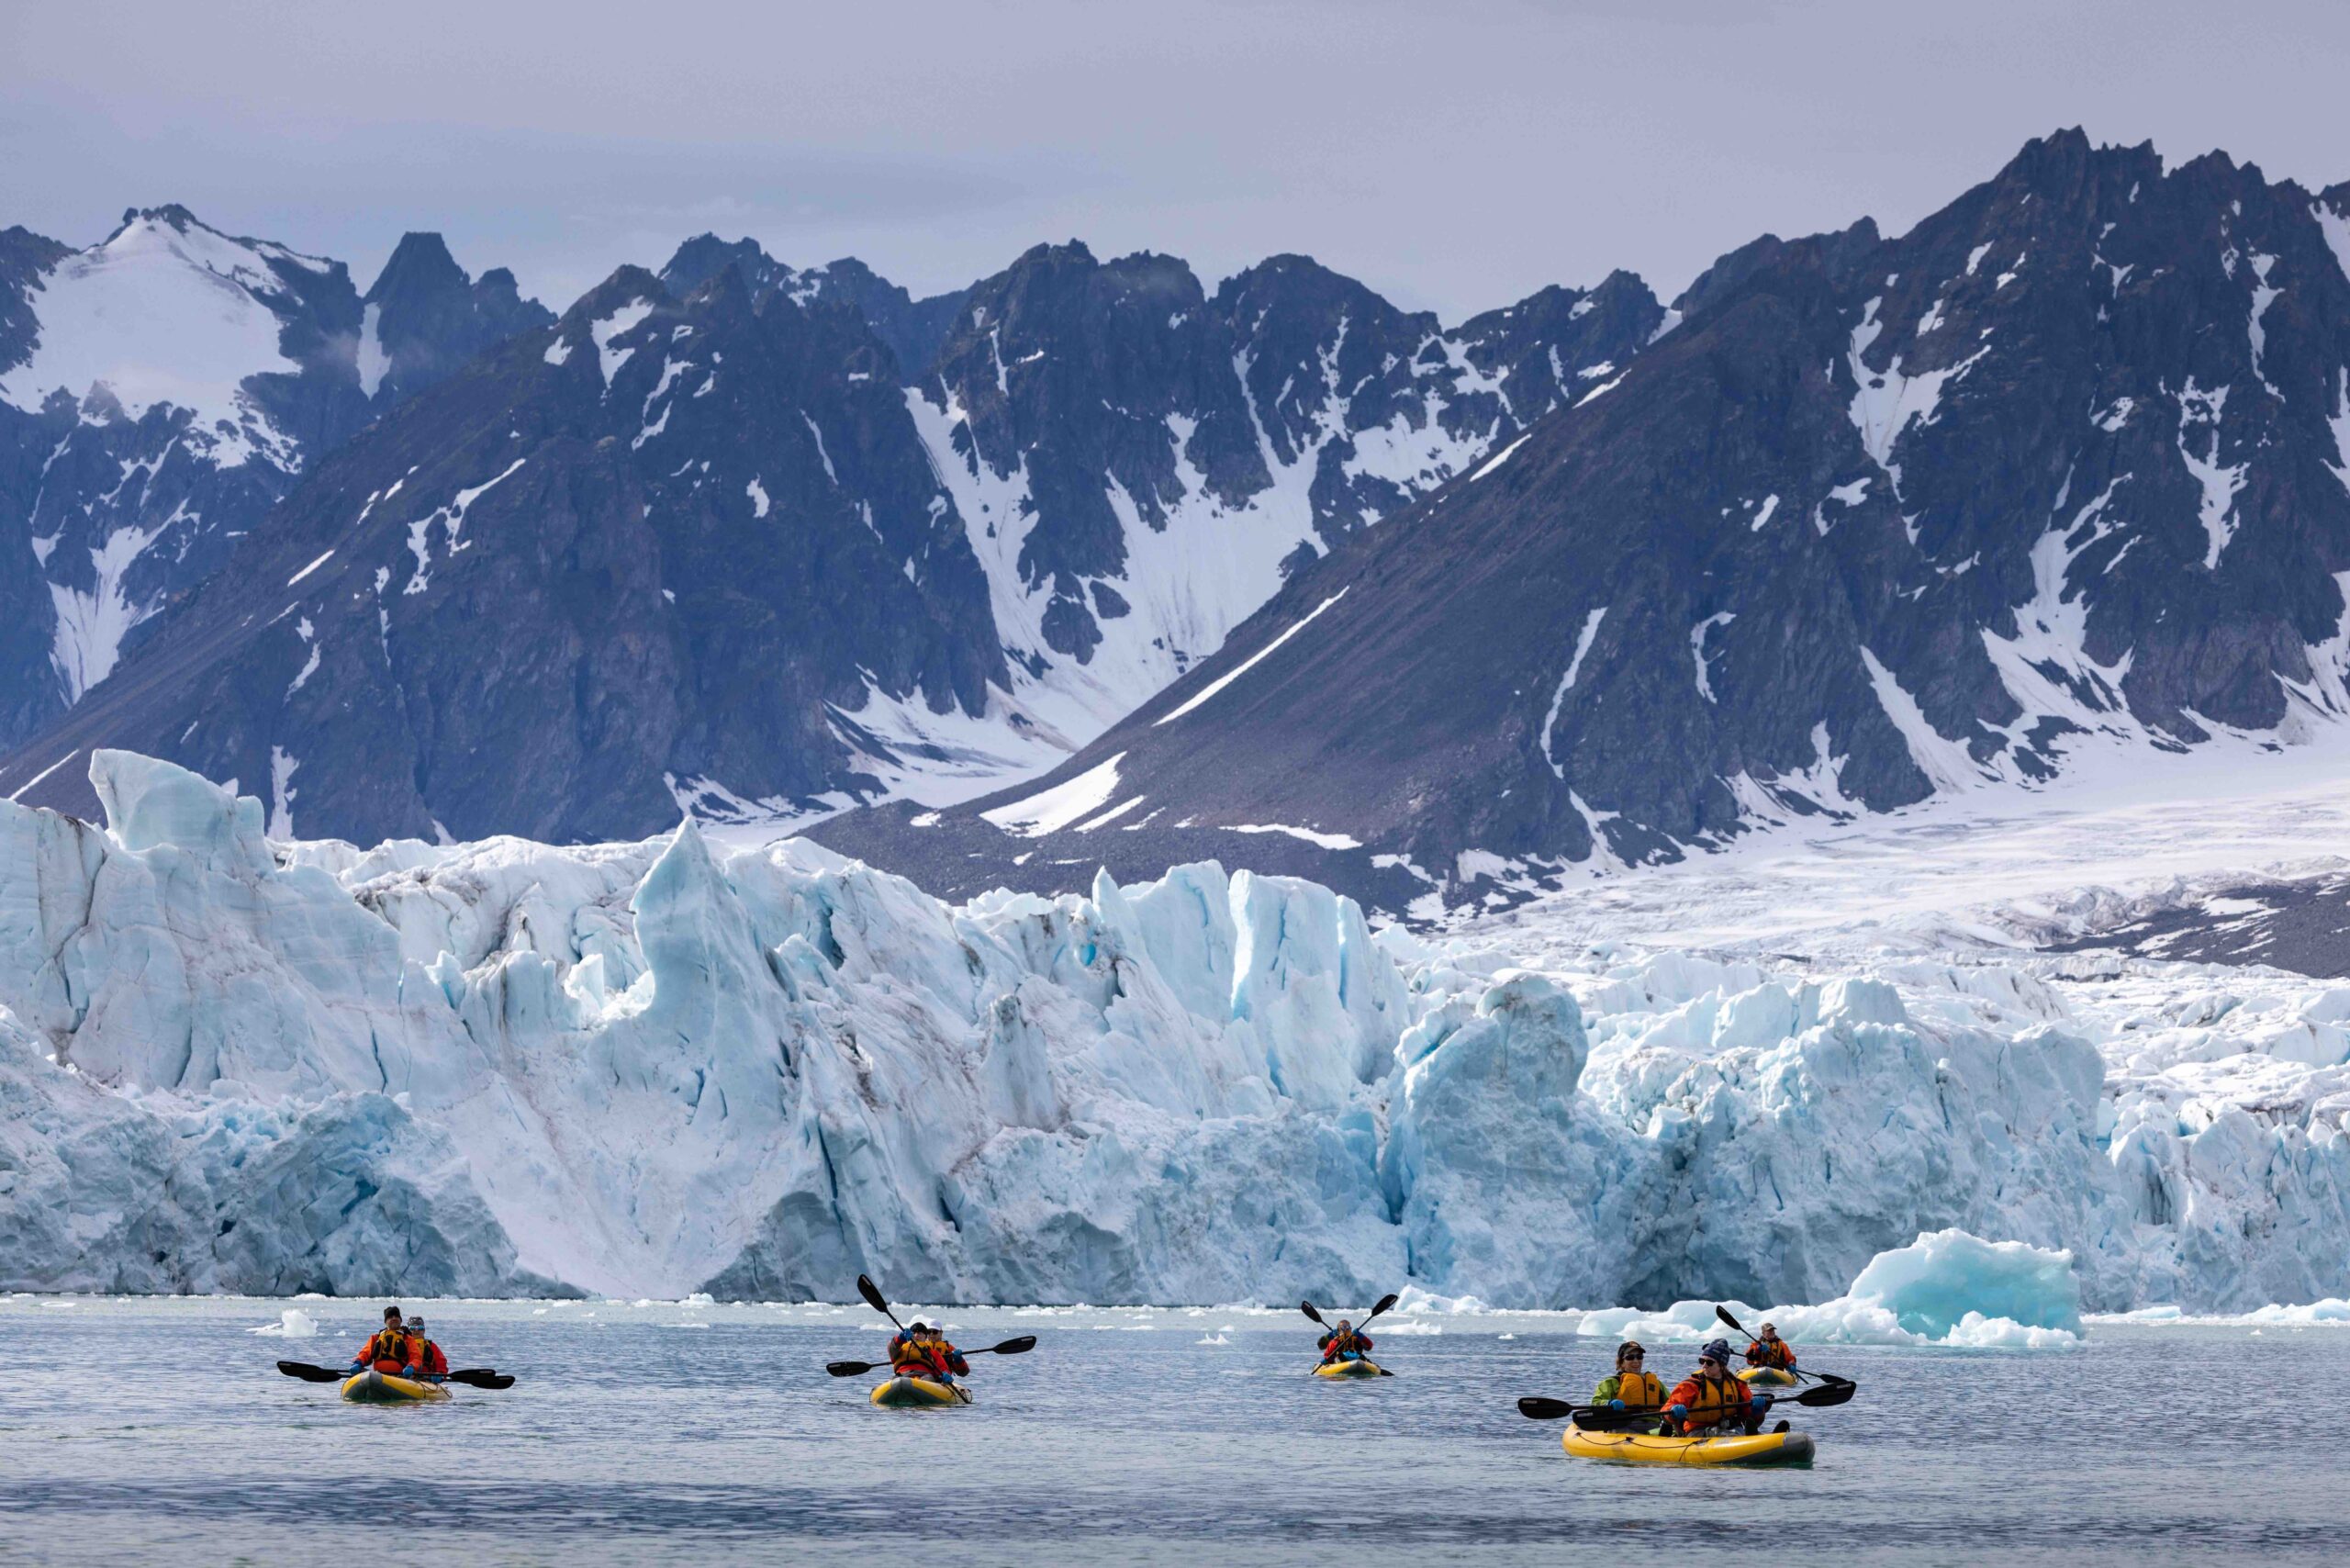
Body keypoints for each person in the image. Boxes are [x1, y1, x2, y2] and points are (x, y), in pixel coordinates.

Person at [1662, 1339, 1768, 1436]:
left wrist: (1757, 1411)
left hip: (1731, 1428)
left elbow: (1753, 1420)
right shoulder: (1691, 1385)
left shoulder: (1738, 1386)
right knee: (1724, 1433)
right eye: (1702, 1361)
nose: (1704, 1366)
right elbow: (1667, 1410)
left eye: (1709, 1362)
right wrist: (1672, 1412)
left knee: (1737, 1432)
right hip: (1698, 1431)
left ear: (1722, 1365)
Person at [1590, 1340, 1666, 1414]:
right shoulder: (1610, 1382)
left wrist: (1672, 1407)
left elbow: (1670, 1402)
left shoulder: (1657, 1383)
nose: (1636, 1361)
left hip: (1654, 1421)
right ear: (1621, 1362)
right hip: (1624, 1421)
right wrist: (1609, 1403)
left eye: (1639, 1357)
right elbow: (1595, 1402)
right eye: (1630, 1357)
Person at [888, 1322, 969, 1383]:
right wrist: (899, 1339)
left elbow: (962, 1372)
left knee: (929, 1378)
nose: (931, 1334)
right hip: (902, 1375)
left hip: (925, 1376)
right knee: (893, 1379)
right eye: (929, 1331)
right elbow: (892, 1350)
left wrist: (958, 1361)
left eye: (935, 1332)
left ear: (941, 1333)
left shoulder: (942, 1349)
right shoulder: (902, 1346)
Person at [350, 1305, 420, 1375]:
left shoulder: (408, 1338)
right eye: (390, 1317)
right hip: (378, 1375)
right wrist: (358, 1362)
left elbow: (416, 1357)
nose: (394, 1318)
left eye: (396, 1316)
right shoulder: (375, 1338)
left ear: (400, 1320)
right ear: (385, 1322)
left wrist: (411, 1366)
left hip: (400, 1376)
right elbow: (365, 1353)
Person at [403, 1316, 452, 1382]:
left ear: (424, 1330)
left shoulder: (431, 1346)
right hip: (406, 1377)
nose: (416, 1330)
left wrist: (440, 1373)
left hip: (427, 1379)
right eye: (412, 1328)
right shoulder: (403, 1344)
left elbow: (441, 1363)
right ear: (408, 1331)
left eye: (420, 1328)